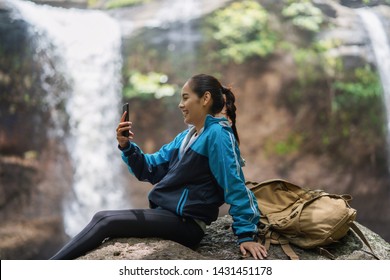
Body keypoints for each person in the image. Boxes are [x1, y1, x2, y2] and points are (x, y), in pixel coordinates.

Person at [50, 73, 267, 260]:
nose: (180, 105)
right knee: (104, 219)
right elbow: (150, 169)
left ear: (205, 98)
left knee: (104, 219)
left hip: (187, 224)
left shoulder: (218, 135)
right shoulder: (187, 137)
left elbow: (234, 182)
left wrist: (247, 235)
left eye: (185, 98)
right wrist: (126, 147)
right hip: (169, 215)